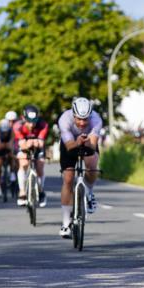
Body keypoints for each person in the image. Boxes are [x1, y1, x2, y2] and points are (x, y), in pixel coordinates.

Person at [57, 97, 102, 238]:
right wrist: (77, 142)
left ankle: (89, 192)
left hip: (88, 142)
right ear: (73, 115)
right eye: (78, 119)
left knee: (92, 164)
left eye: (85, 119)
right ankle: (66, 223)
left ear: (90, 116)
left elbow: (93, 145)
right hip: (70, 143)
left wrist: (87, 142)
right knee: (68, 178)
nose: (82, 123)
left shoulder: (96, 119)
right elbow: (69, 145)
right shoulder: (64, 119)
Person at [13, 104, 48, 207]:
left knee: (40, 165)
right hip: (23, 145)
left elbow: (41, 142)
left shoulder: (43, 125)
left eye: (34, 121)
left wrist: (36, 142)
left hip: (37, 145)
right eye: (29, 121)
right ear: (23, 118)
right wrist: (27, 144)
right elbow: (22, 144)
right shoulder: (17, 126)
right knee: (23, 163)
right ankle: (22, 191)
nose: (32, 125)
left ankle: (41, 190)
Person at [0, 118, 16, 196]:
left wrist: (9, 148)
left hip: (8, 145)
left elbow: (11, 142)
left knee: (12, 157)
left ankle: (12, 173)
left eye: (6, 131)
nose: (5, 132)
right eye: (4, 131)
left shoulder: (11, 131)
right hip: (0, 146)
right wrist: (3, 145)